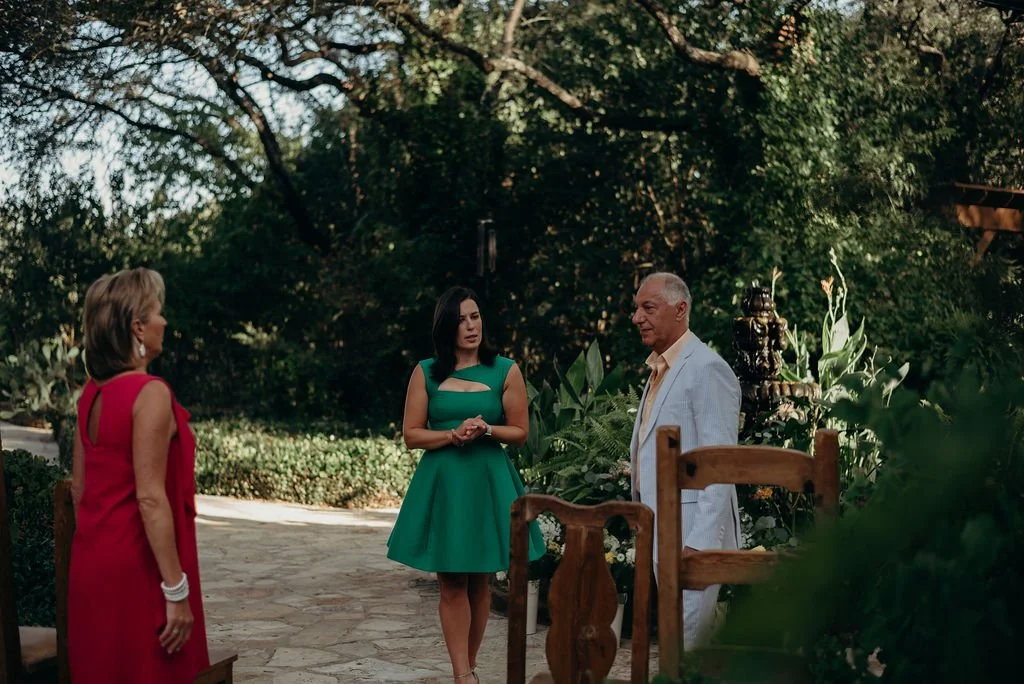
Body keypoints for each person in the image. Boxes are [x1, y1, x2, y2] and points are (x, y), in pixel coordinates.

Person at [387, 286, 544, 683]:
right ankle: (463, 675)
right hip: (445, 483)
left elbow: (520, 432)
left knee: (481, 581)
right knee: (452, 580)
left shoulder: (505, 369)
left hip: (488, 481)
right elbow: (411, 434)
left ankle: (467, 669)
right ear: (447, 327)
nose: (471, 326)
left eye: (475, 316)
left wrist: (487, 429)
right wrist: (451, 435)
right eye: (461, 320)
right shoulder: (426, 371)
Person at [69, 268, 210, 682]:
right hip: (140, 571)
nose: (164, 321)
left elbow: (79, 490)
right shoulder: (149, 394)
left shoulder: (90, 395)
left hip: (91, 567)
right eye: (158, 312)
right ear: (138, 327)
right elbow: (150, 498)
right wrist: (175, 589)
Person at [628, 272, 741, 649]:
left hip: (692, 533)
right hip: (660, 527)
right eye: (636, 309)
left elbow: (720, 463)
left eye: (648, 308)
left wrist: (702, 542)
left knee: (688, 645)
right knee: (674, 643)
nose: (637, 318)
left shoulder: (706, 368)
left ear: (680, 310)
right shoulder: (660, 368)